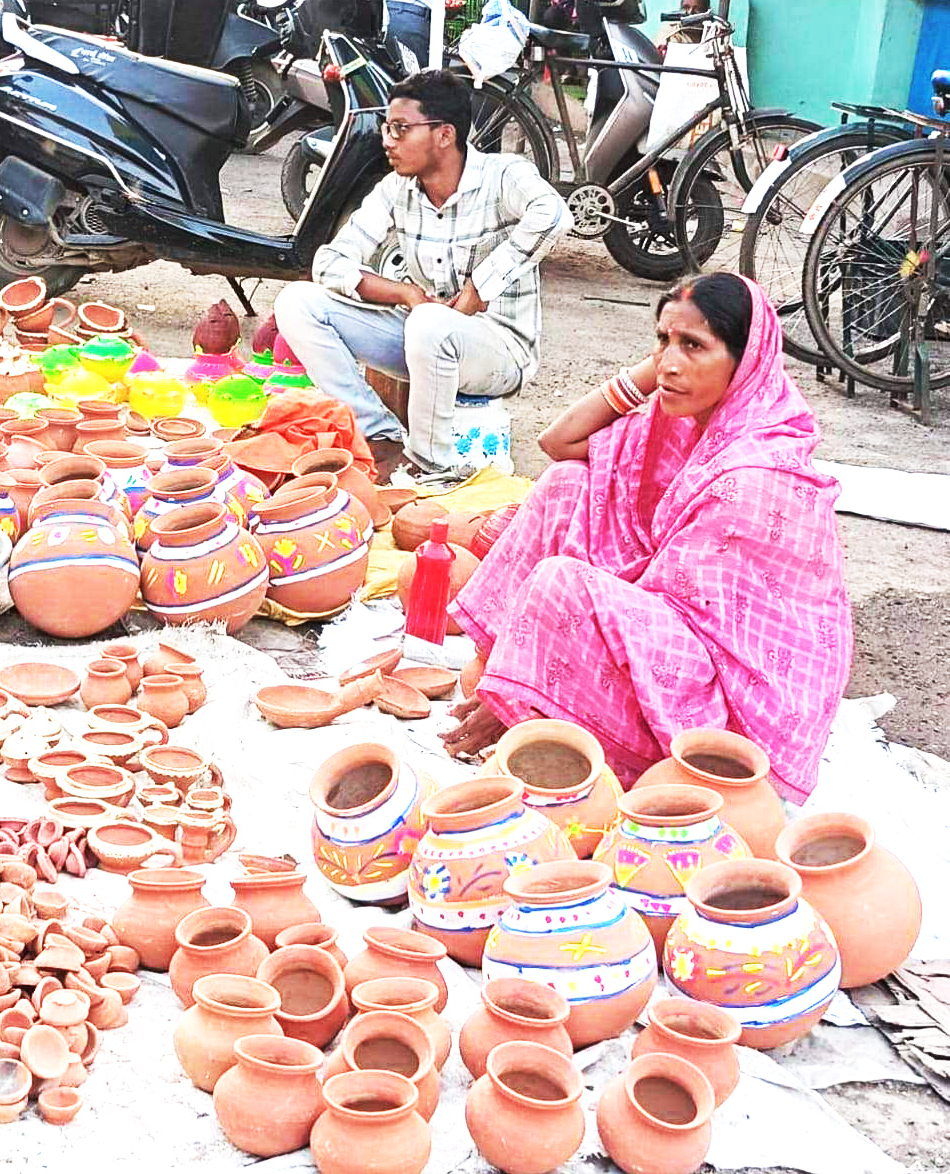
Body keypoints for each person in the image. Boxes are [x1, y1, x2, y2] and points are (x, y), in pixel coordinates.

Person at [441, 274, 853, 804]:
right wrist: (660, 364)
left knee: (561, 584)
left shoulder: (753, 477)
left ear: (745, 359)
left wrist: (565, 606)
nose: (671, 363)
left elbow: (671, 605)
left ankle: (533, 705)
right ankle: (508, 681)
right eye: (663, 341)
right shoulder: (688, 422)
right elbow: (558, 442)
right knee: (569, 487)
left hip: (733, 713)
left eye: (694, 346)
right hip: (682, 633)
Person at [274, 70, 571, 479]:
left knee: (431, 323)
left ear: (444, 135)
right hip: (423, 335)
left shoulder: (503, 175)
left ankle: (432, 462)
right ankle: (380, 436)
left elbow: (554, 215)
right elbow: (329, 262)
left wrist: (480, 287)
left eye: (400, 129)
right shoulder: (396, 189)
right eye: (387, 127)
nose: (387, 140)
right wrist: (404, 293)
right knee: (297, 302)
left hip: (500, 352)